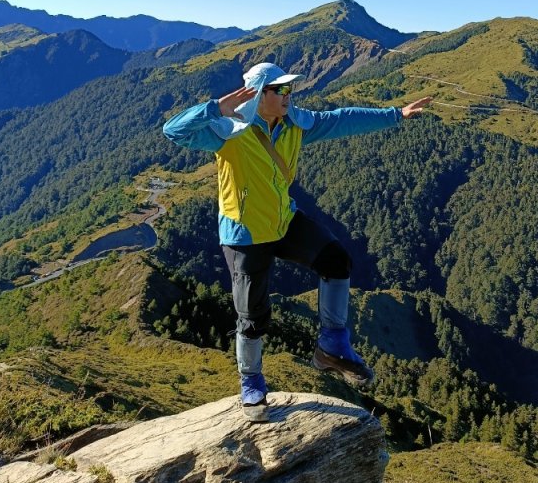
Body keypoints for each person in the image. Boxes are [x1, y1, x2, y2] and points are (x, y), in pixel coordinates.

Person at [163, 61, 432, 419]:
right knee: (252, 316)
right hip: (245, 233)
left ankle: (331, 346)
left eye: (289, 88)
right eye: (281, 89)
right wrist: (215, 108)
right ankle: (251, 383)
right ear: (258, 95)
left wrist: (396, 114)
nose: (289, 95)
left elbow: (342, 119)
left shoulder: (294, 125)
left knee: (336, 260)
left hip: (284, 221)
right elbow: (173, 131)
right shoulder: (228, 131)